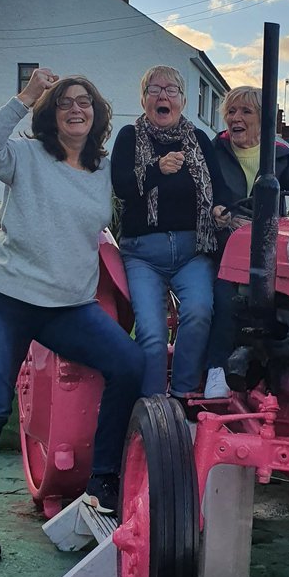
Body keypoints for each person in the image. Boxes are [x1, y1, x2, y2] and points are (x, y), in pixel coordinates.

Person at [0, 68, 144, 559]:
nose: (75, 109)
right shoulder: (26, 155)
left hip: (68, 307)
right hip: (6, 296)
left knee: (129, 363)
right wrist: (25, 96)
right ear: (51, 115)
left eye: (84, 102)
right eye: (64, 103)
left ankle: (102, 482)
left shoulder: (104, 169)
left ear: (96, 114)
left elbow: (147, 192)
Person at [111, 66, 231, 398]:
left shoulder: (199, 140)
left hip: (193, 251)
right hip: (142, 254)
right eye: (154, 89)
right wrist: (155, 169)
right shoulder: (129, 136)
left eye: (171, 90)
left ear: (182, 100)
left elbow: (218, 188)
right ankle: (151, 409)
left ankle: (182, 396)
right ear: (144, 99)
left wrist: (220, 210)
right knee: (151, 336)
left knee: (199, 313)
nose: (163, 95)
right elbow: (121, 187)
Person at [204, 85, 289, 398]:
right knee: (225, 299)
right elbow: (203, 195)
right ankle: (216, 369)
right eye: (231, 111)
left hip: (266, 252)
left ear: (263, 119)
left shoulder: (279, 156)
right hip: (223, 247)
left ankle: (283, 368)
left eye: (245, 111)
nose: (236, 118)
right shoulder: (212, 153)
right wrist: (219, 214)